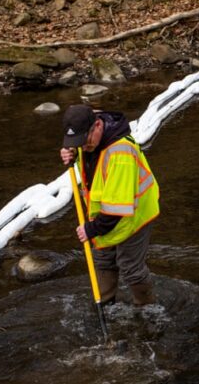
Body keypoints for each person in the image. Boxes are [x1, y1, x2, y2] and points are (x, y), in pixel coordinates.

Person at [59, 104, 160, 306]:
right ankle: (105, 303)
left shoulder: (121, 154)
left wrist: (91, 229)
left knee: (130, 268)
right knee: (103, 259)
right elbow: (87, 156)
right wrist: (73, 154)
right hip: (105, 214)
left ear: (97, 126)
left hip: (133, 215)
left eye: (84, 142)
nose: (83, 146)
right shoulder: (87, 134)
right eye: (77, 142)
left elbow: (116, 210)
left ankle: (147, 307)